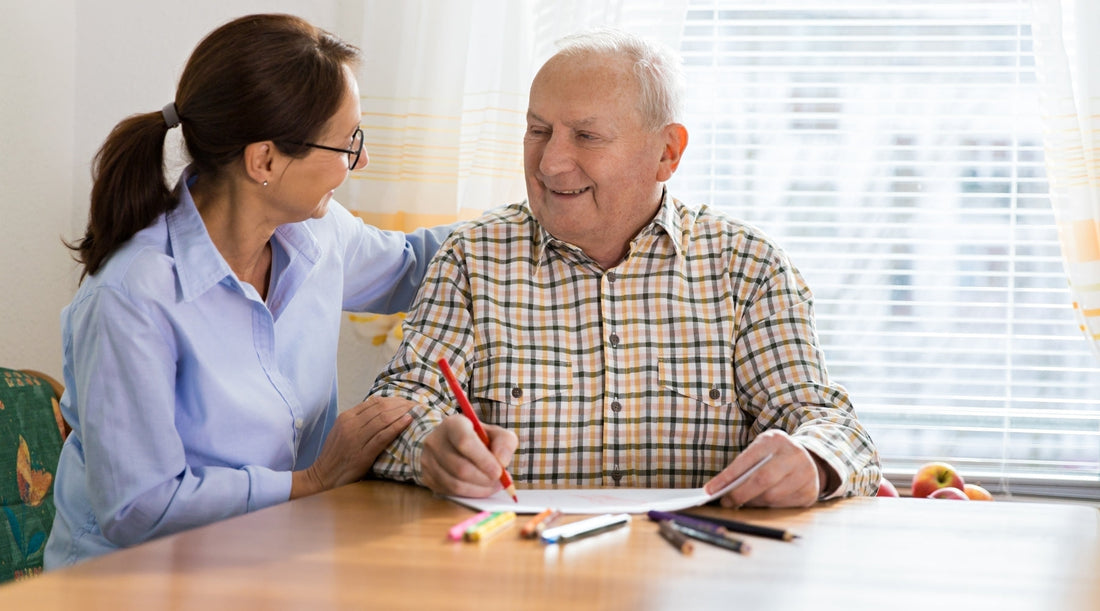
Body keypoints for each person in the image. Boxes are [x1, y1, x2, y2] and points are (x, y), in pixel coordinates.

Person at [369, 29, 880, 508]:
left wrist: (812, 461)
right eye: (539, 131)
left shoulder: (748, 268)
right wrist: (428, 447)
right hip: (514, 560)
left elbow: (831, 426)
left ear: (667, 153)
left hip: (693, 563)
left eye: (586, 136)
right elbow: (394, 414)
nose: (549, 163)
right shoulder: (470, 258)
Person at [45, 14, 453, 568]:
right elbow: (139, 506)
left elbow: (416, 266)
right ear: (264, 160)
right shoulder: (132, 295)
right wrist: (312, 480)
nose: (359, 160)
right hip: (133, 582)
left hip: (269, 562)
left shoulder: (316, 233)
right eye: (346, 143)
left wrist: (534, 212)